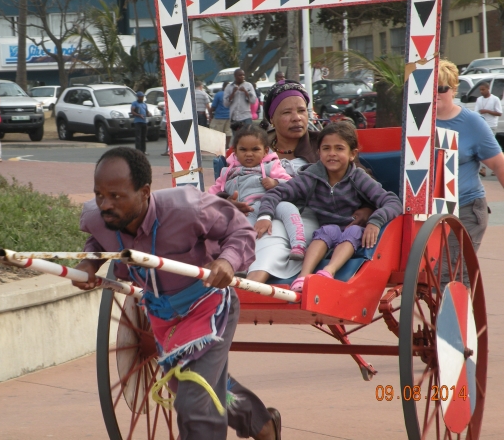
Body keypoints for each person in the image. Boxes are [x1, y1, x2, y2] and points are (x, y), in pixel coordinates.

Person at [72, 147, 281, 440]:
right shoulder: (98, 217)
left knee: (194, 402)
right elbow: (97, 241)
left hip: (207, 303)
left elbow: (239, 231)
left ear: (144, 192)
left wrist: (226, 261)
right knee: (190, 386)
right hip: (162, 314)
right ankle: (261, 425)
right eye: (99, 195)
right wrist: (90, 261)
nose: (105, 204)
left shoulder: (187, 207)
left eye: (116, 196)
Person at [230, 80, 373, 284]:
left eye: (302, 111)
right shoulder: (253, 145)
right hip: (254, 210)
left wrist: (367, 208)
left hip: (307, 215)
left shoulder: (325, 144)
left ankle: (250, 285)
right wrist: (229, 200)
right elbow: (228, 179)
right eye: (287, 112)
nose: (297, 118)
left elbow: (362, 179)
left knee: (273, 233)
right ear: (272, 118)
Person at [256, 122, 402, 290]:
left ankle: (328, 271)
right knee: (326, 230)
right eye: (326, 149)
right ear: (319, 153)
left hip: (352, 230)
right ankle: (303, 277)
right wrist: (264, 216)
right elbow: (276, 193)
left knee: (353, 231)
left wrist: (375, 221)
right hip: (325, 231)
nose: (332, 154)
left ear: (352, 154)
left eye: (339, 149)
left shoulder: (358, 177)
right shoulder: (311, 177)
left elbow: (392, 201)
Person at [436, 59, 504, 284]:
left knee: (450, 272)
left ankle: (459, 318)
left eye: (441, 88)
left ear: (454, 89)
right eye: (428, 89)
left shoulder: (472, 123)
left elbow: (498, 164)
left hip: (465, 208)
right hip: (427, 212)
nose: (435, 94)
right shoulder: (414, 123)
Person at [208, 125, 306, 259]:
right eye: (243, 149)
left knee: (289, 208)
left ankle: (299, 245)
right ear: (235, 152)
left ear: (265, 151)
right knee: (242, 229)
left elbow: (291, 183)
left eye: (255, 149)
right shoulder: (227, 172)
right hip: (248, 209)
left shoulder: (271, 166)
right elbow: (215, 191)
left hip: (272, 203)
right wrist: (220, 200)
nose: (249, 154)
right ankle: (237, 259)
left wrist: (275, 182)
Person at [474, 81, 502, 176]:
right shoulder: (479, 99)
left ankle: (497, 168)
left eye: (483, 89)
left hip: (491, 125)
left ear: (488, 88)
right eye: (480, 90)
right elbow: (476, 112)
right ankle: (483, 169)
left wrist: (487, 111)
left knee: (491, 147)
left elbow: (499, 113)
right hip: (482, 125)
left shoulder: (495, 99)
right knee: (481, 147)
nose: (481, 91)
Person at [224, 69, 257, 138]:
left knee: (249, 136)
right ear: (235, 76)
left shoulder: (248, 85)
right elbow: (225, 104)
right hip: (234, 117)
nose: (242, 77)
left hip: (246, 116)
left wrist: (245, 92)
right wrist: (233, 93)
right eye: (240, 75)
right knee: (237, 138)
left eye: (243, 75)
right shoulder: (229, 87)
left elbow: (253, 101)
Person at [210, 81, 232, 148]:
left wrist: (211, 114)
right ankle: (227, 146)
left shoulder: (219, 94)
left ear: (223, 87)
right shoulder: (232, 95)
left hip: (219, 116)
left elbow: (213, 106)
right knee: (228, 132)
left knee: (218, 133)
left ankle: (219, 146)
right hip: (229, 117)